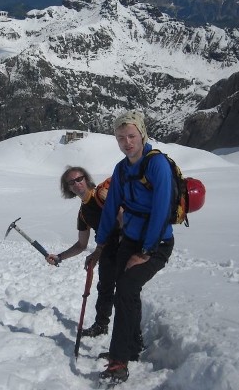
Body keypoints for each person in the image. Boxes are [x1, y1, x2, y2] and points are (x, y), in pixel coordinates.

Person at [85, 110, 175, 384]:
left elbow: (161, 210)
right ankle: (132, 345)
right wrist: (100, 243)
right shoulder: (122, 169)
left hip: (157, 242)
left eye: (131, 136)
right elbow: (111, 207)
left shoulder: (156, 164)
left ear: (142, 134)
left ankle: (118, 361)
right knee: (122, 287)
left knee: (125, 288)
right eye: (121, 138)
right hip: (132, 239)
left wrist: (145, 251)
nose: (127, 142)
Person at [45, 166, 121, 338]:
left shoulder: (102, 195)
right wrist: (60, 257)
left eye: (79, 179)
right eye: (71, 182)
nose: (77, 183)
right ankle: (101, 325)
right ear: (69, 188)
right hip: (108, 251)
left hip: (125, 246)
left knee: (125, 293)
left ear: (86, 179)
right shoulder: (83, 213)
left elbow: (123, 219)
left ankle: (132, 337)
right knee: (105, 288)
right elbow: (81, 244)